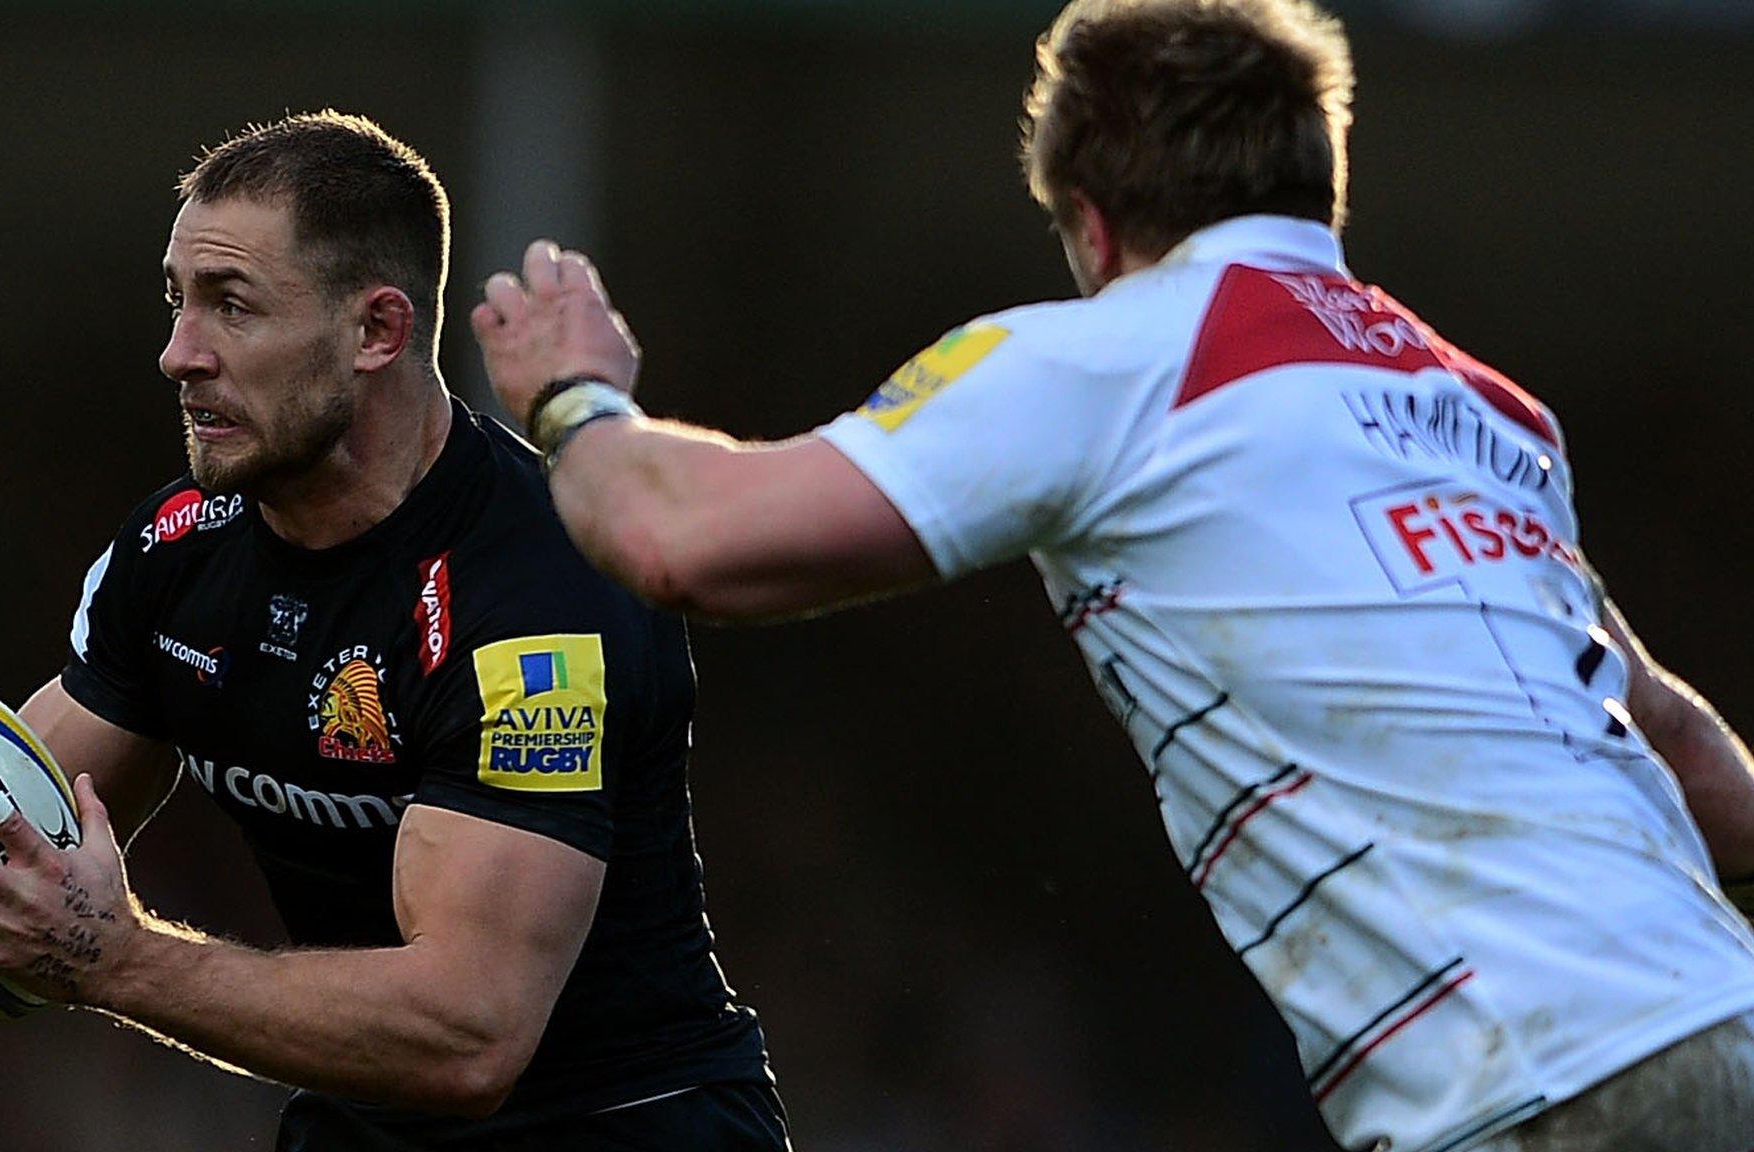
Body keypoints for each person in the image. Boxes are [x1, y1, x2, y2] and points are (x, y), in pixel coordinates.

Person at [467, 2, 1754, 1149]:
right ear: (1318, 191)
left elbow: (677, 540)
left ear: (1090, 223)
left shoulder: (1111, 358)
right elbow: (1691, 767)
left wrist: (576, 396)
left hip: (1540, 1086)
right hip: (1721, 1023)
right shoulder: (1488, 412)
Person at [0, 110, 790, 1152]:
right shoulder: (175, 553)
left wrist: (118, 958)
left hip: (625, 1126)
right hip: (367, 1122)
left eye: (231, 305)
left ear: (376, 332)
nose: (180, 353)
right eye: (176, 301)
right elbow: (28, 843)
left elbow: (471, 1036)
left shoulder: (539, 591)